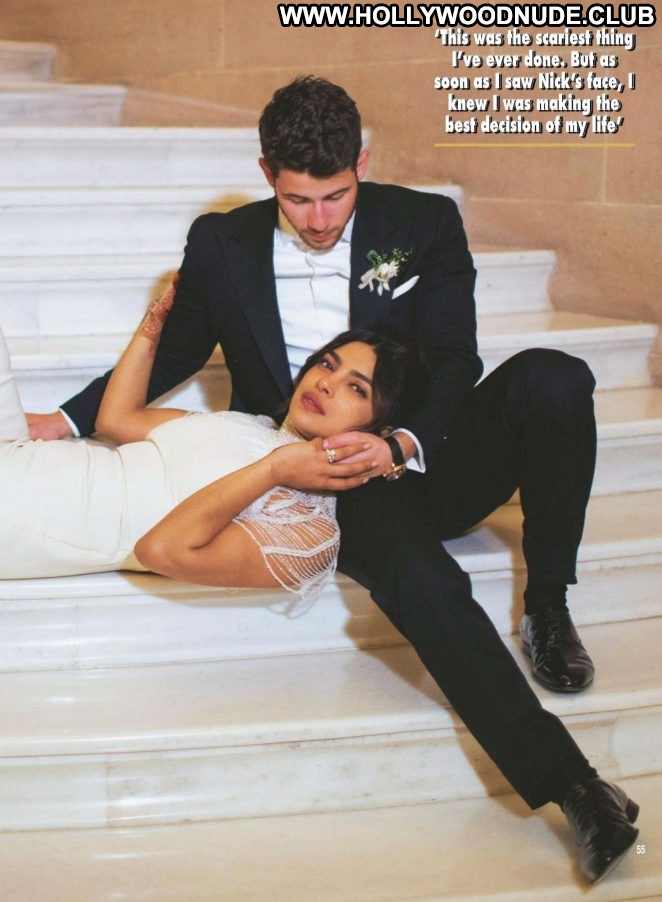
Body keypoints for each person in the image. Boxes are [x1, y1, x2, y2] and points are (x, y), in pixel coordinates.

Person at [26, 76, 639, 882]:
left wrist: (402, 443)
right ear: (265, 174)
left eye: (336, 197)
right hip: (327, 478)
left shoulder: (424, 223)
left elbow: (455, 359)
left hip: (422, 448)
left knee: (555, 377)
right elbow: (178, 349)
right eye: (297, 200)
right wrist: (68, 419)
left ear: (363, 165)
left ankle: (549, 605)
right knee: (424, 578)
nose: (318, 221)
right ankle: (577, 788)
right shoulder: (222, 243)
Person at [0, 289, 423, 602]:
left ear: (382, 431)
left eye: (356, 388)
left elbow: (161, 550)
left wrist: (274, 469)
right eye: (327, 364)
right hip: (20, 453)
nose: (327, 382)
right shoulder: (244, 424)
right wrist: (152, 328)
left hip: (21, 513)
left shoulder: (311, 533)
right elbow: (117, 420)